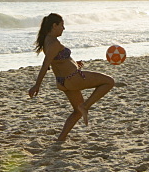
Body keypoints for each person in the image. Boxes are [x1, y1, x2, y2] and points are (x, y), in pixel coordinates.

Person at [28, 13, 115, 142]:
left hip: (63, 82)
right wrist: (37, 85)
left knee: (77, 112)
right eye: (62, 25)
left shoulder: (47, 40)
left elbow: (58, 61)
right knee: (109, 82)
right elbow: (45, 65)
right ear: (54, 25)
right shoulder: (53, 43)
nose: (64, 28)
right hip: (73, 79)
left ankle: (61, 138)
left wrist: (75, 64)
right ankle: (86, 106)